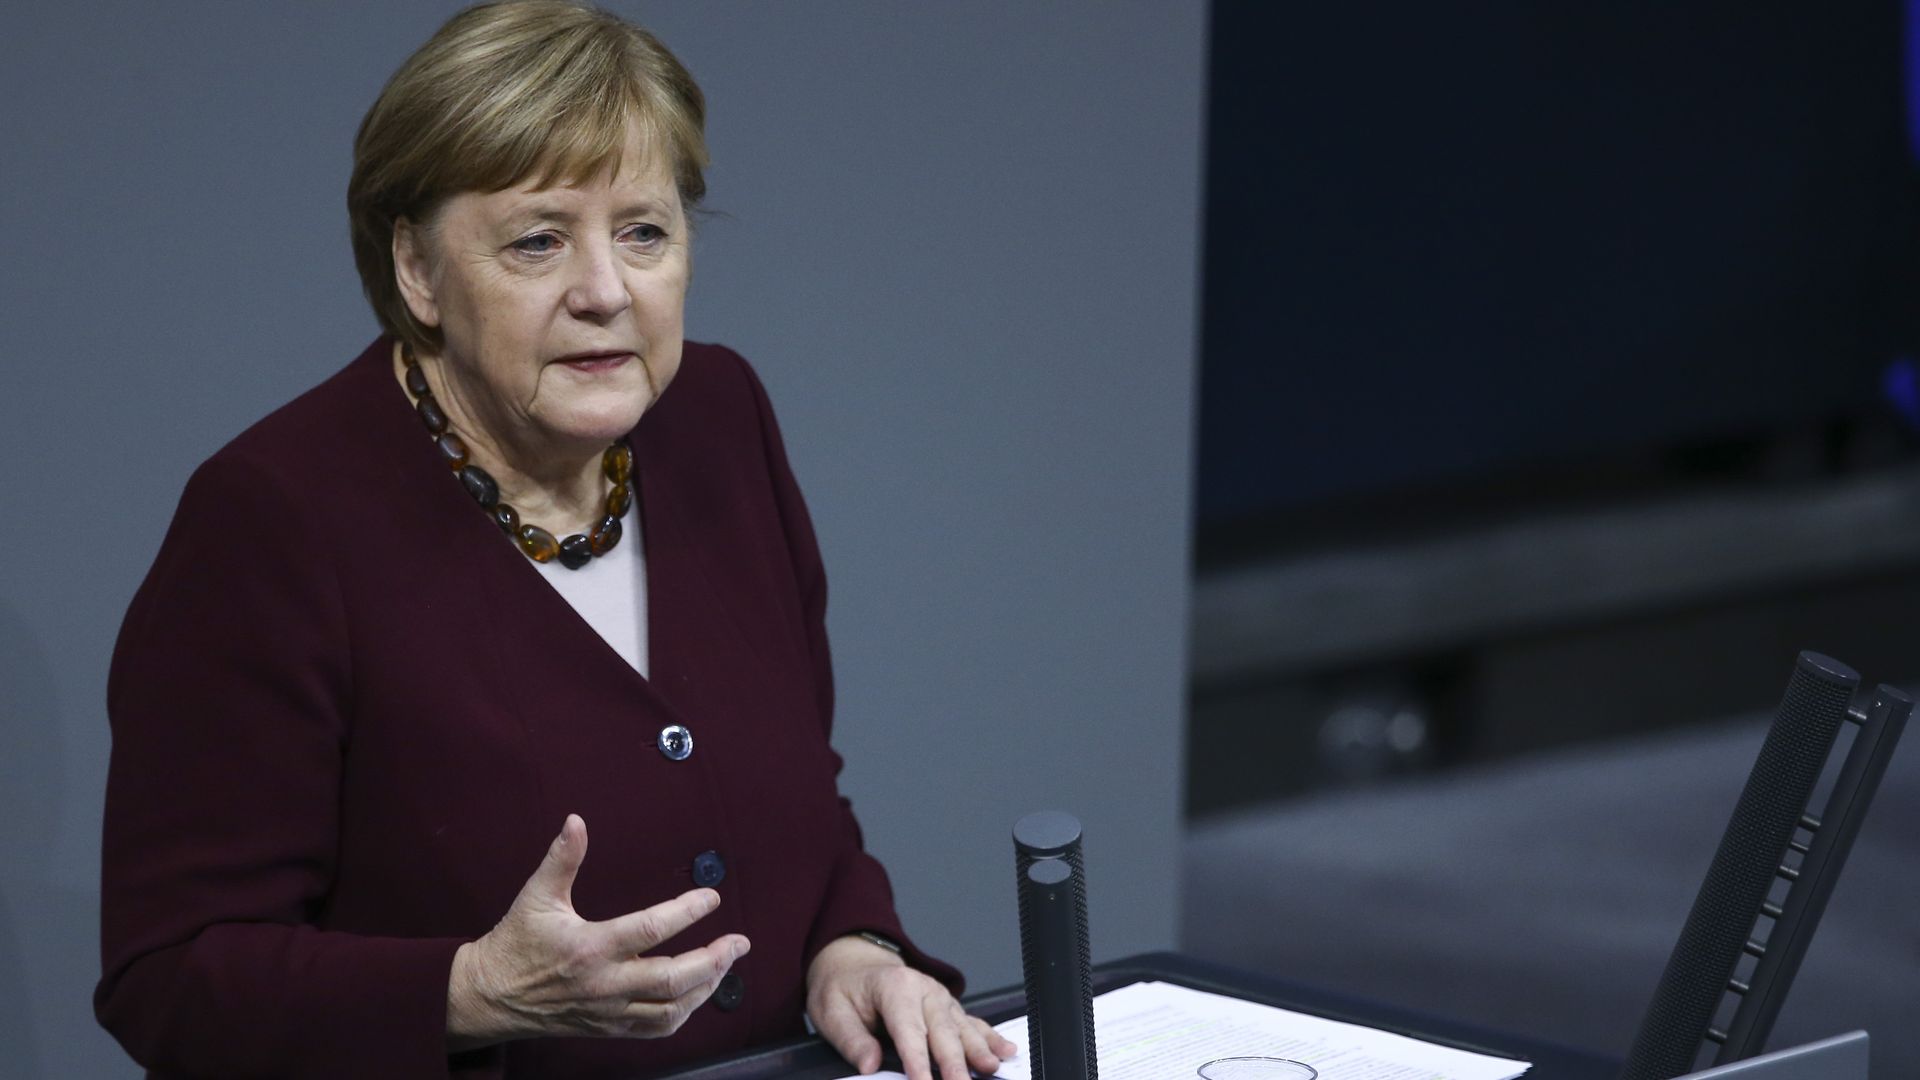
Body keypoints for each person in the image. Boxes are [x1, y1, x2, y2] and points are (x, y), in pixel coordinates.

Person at [94, 3, 1017, 1078]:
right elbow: (170, 981)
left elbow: (802, 797)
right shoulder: (273, 521)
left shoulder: (718, 418)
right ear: (418, 270)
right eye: (538, 240)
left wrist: (854, 946)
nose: (604, 291)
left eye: (644, 232)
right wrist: (471, 993)